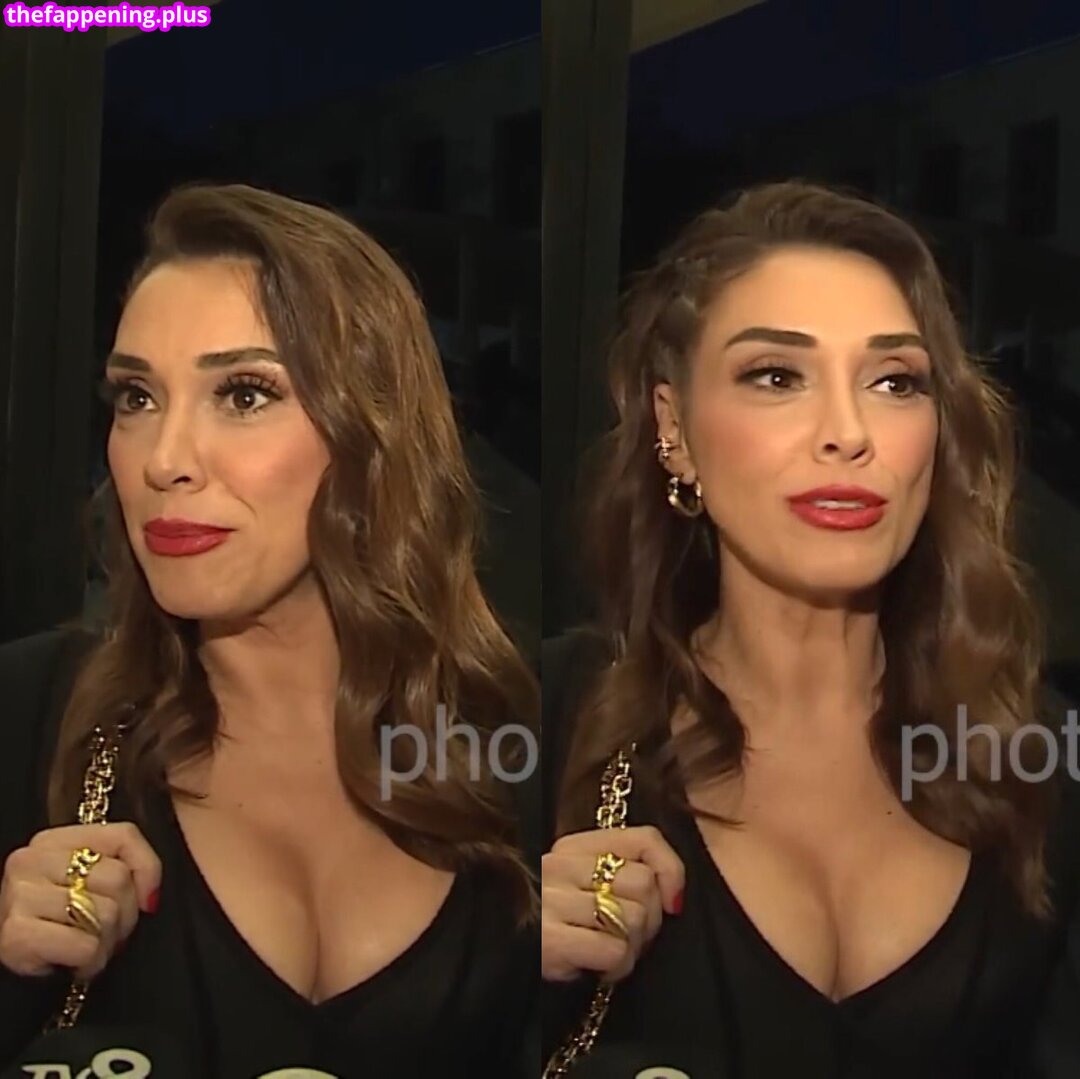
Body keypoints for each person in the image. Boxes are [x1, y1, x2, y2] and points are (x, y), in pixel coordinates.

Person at [540, 181, 1080, 1078]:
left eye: (894, 381)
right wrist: (500, 970)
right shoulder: (536, 720)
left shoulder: (1044, 760)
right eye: (776, 376)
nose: (847, 432)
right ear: (674, 430)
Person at [0, 183, 539, 1077]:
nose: (165, 459)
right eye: (136, 396)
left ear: (371, 433)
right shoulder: (26, 714)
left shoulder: (512, 746)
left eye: (244, 394)